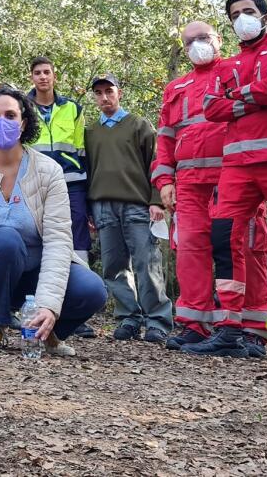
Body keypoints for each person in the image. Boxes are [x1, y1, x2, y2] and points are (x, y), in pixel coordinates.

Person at [189, 0, 267, 358]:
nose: (243, 18)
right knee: (224, 239)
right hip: (237, 166)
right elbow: (212, 108)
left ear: (265, 16)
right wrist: (252, 97)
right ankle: (232, 328)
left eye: (249, 12)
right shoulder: (227, 65)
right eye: (236, 15)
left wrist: (237, 100)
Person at [0, 87, 107, 354]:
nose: (2, 122)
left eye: (10, 115)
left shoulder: (49, 171)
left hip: (35, 273)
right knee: (5, 239)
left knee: (92, 290)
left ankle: (46, 331)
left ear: (23, 123)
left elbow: (57, 241)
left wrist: (48, 305)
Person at [152, 21, 267, 353]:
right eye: (189, 41)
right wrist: (164, 181)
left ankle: (252, 329)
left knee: (247, 248)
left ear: (218, 39)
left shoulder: (238, 69)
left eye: (203, 38)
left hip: (237, 176)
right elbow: (165, 138)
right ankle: (196, 325)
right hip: (190, 183)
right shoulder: (176, 87)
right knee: (190, 249)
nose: (197, 45)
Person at [84, 74, 172, 344]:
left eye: (109, 91)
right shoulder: (89, 131)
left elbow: (155, 162)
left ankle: (157, 320)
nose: (104, 97)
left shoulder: (138, 125)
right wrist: (89, 210)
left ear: (118, 93)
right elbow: (87, 170)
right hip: (102, 205)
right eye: (98, 93)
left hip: (136, 204)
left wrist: (156, 200)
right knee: (114, 265)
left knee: (147, 262)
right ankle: (127, 318)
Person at [26, 57, 91, 269]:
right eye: (38, 73)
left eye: (46, 72)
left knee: (78, 228)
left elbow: (82, 150)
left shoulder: (73, 109)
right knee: (37, 231)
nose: (43, 77)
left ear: (55, 76)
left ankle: (82, 279)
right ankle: (39, 287)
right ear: (32, 77)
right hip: (36, 182)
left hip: (72, 181)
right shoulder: (22, 108)